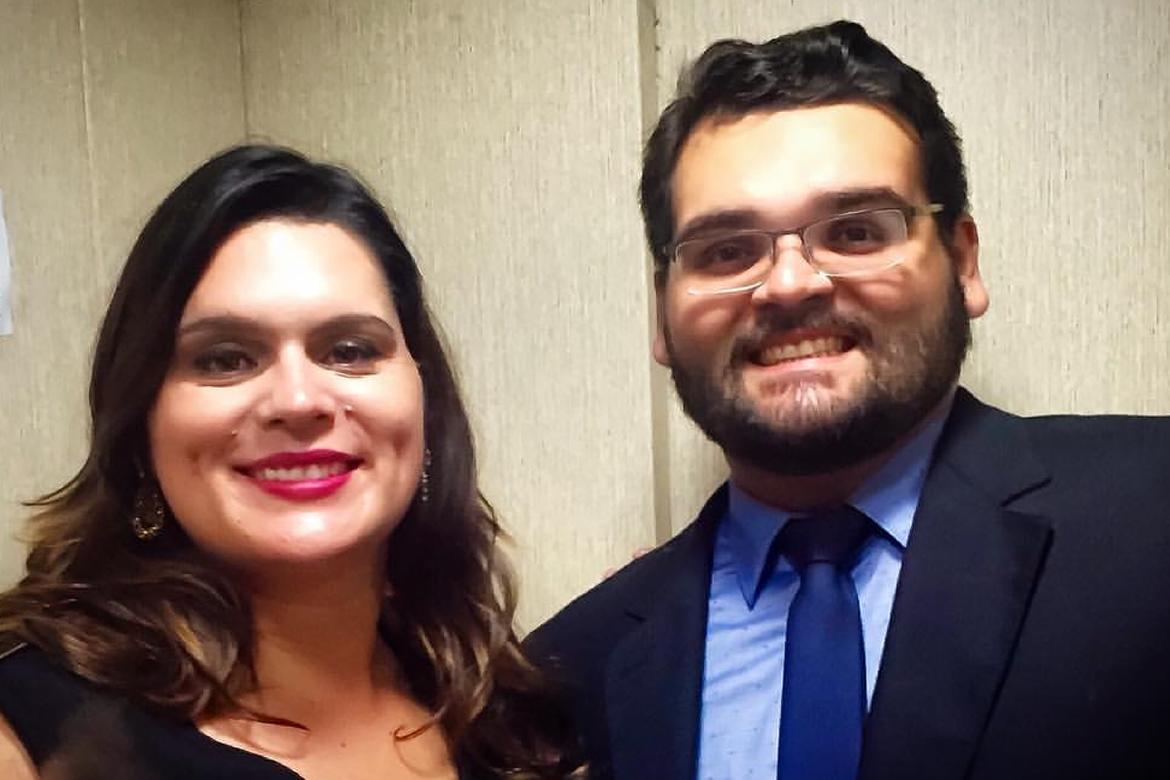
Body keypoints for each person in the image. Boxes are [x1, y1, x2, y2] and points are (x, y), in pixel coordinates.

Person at [527, 19, 1170, 780]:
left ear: (963, 263)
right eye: (727, 251)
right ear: (662, 313)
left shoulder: (1152, 514)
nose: (790, 284)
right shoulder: (565, 676)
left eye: (857, 232)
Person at [0, 145, 579, 779]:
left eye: (350, 350)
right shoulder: (27, 727)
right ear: (140, 426)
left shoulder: (506, 712)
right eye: (225, 358)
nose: (299, 402)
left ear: (425, 402)